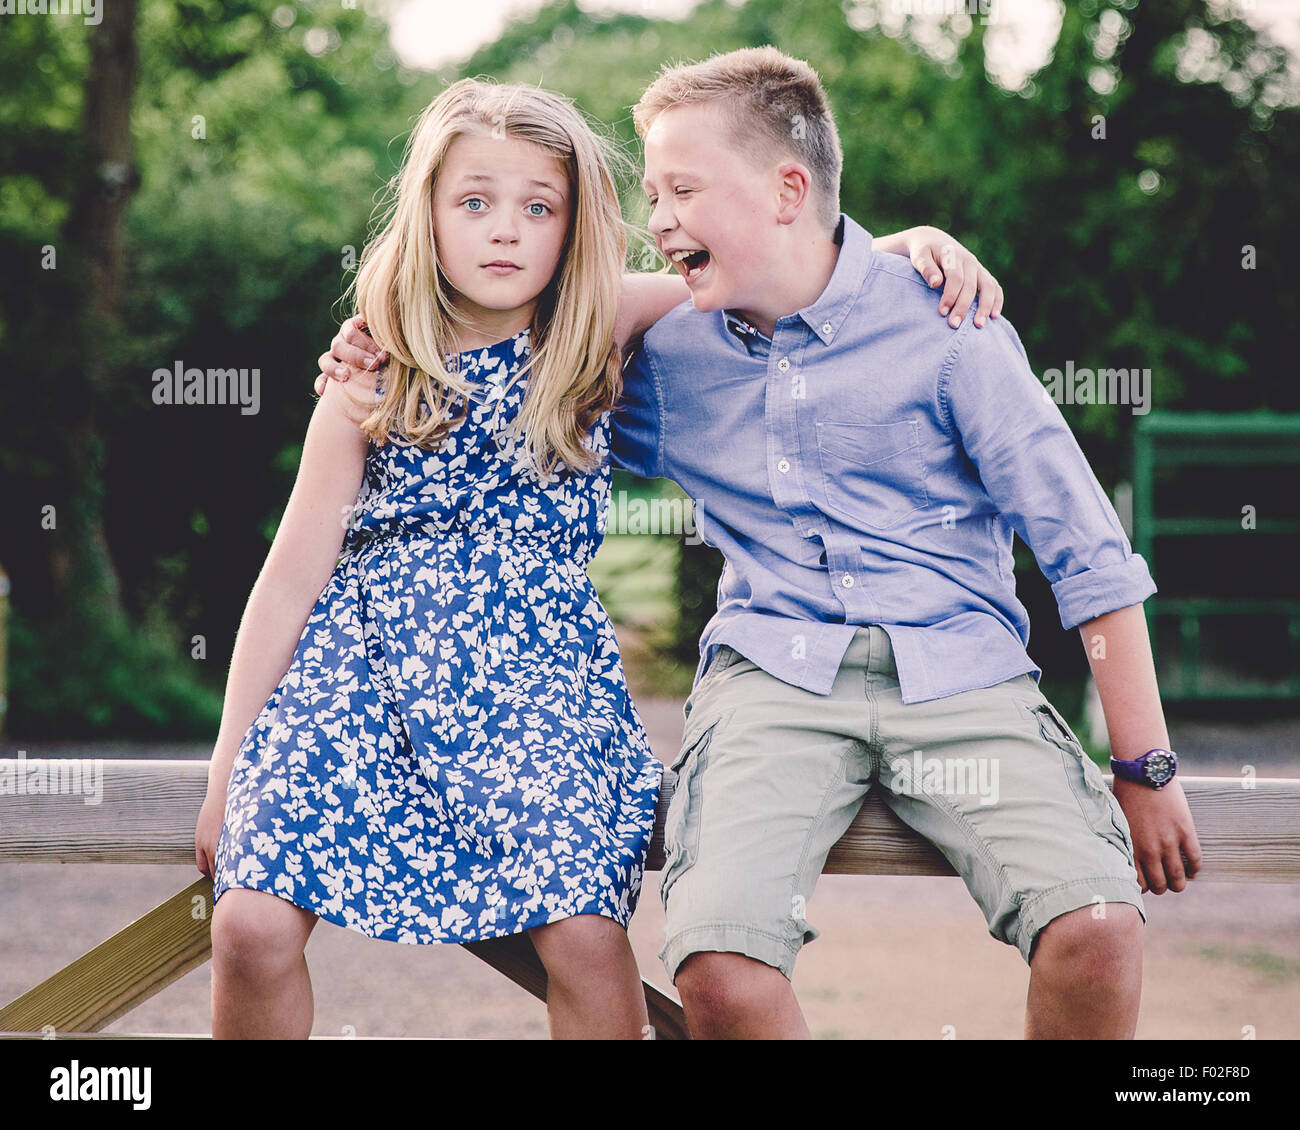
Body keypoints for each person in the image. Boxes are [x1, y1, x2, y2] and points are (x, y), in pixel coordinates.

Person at [204, 73, 994, 1041]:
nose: (505, 231)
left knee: (579, 930)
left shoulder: (593, 324)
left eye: (538, 208)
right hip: (359, 677)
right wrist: (226, 766)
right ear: (429, 214)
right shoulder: (372, 371)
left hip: (533, 682)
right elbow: (289, 576)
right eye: (475, 203)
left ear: (572, 225)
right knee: (246, 921)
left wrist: (901, 249)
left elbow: (784, 271)